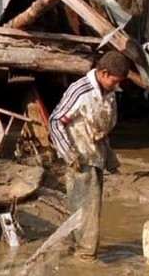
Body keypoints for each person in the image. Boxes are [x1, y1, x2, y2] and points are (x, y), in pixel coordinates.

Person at [48, 51, 129, 262]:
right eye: (114, 81)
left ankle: (80, 249)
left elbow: (102, 130)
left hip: (96, 155)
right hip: (80, 159)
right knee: (87, 209)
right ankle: (85, 257)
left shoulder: (109, 91)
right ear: (103, 73)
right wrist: (68, 153)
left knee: (91, 207)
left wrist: (110, 158)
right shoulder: (80, 91)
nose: (116, 85)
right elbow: (55, 121)